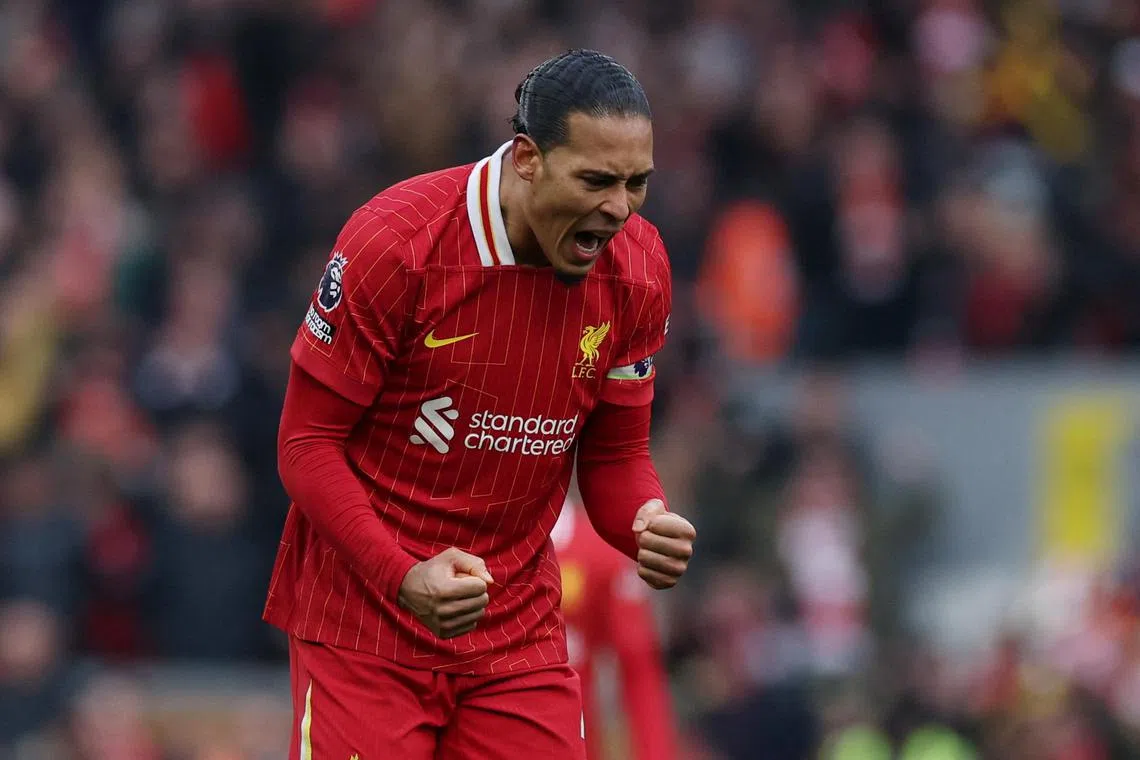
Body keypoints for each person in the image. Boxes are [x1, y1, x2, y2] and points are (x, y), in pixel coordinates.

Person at [263, 49, 696, 760]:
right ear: (528, 159)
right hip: (364, 625)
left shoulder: (640, 269)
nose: (618, 208)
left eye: (637, 183)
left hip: (514, 633)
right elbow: (305, 446)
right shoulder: (396, 243)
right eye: (595, 180)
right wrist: (403, 576)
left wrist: (643, 519)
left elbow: (616, 456)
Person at [552, 493, 679, 760]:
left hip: (573, 742)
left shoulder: (597, 551)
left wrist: (655, 753)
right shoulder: (460, 549)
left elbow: (638, 667)